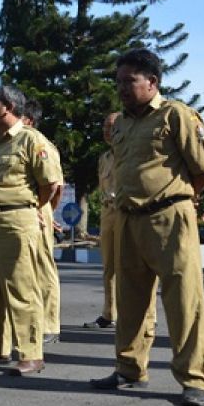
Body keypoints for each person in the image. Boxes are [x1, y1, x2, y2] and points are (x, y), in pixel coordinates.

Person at [89, 49, 204, 406]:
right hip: (128, 219)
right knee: (130, 301)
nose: (122, 89)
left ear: (152, 82)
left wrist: (177, 201)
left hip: (168, 218)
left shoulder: (176, 114)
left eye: (129, 81)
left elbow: (203, 168)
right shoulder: (123, 124)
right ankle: (129, 369)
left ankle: (193, 378)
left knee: (183, 300)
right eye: (118, 83)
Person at [0, 86, 61, 377]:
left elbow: (49, 185)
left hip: (16, 220)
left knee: (21, 289)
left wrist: (29, 210)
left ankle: (31, 354)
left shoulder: (31, 140)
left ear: (6, 107)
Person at [21, 99, 64, 343]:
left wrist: (44, 210)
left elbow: (55, 186)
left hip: (38, 209)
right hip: (26, 211)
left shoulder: (40, 143)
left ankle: (50, 325)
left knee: (43, 267)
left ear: (28, 120)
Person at [85, 112, 120, 330]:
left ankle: (144, 316)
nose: (106, 131)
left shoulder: (132, 154)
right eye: (104, 127)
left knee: (134, 268)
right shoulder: (105, 158)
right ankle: (109, 313)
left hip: (128, 212)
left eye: (111, 126)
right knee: (109, 266)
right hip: (109, 213)